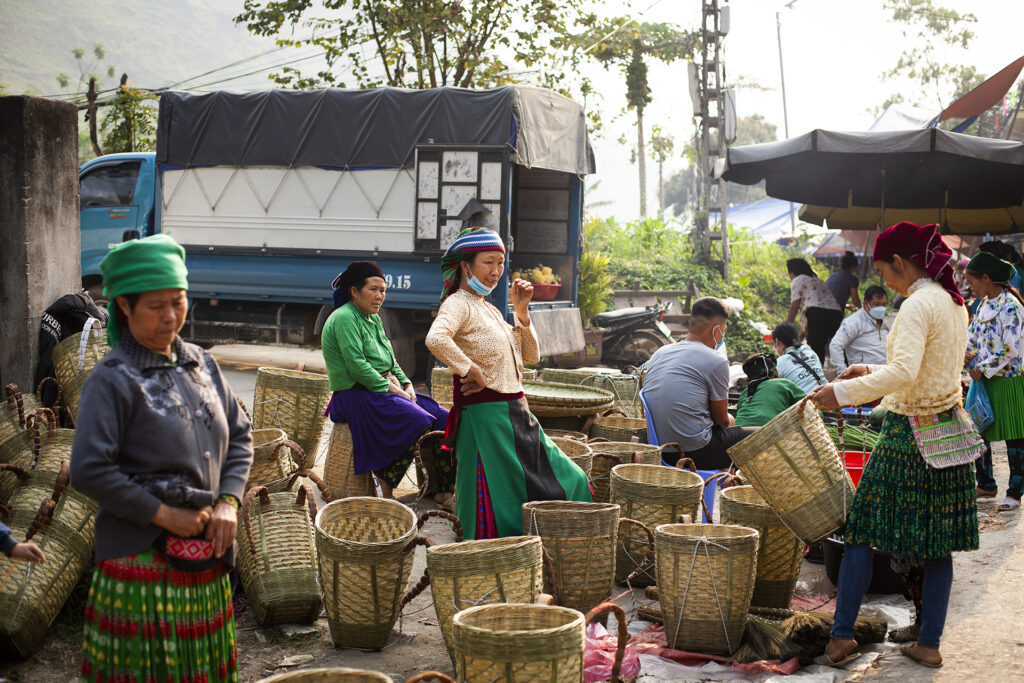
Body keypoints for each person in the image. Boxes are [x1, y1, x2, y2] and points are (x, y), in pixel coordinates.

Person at [70, 234, 253, 683]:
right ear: (125, 307)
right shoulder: (112, 379)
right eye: (156, 306)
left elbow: (241, 436)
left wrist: (229, 502)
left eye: (179, 301)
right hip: (140, 569)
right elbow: (89, 469)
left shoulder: (201, 364)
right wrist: (164, 514)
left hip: (205, 563)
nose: (171, 316)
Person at [809, 222, 980, 670]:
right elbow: (923, 369)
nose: (883, 280)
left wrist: (840, 394)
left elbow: (904, 374)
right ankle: (929, 642)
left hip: (909, 434)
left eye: (885, 270)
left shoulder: (915, 305)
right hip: (949, 431)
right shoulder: (953, 303)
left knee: (862, 532)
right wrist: (868, 369)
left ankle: (841, 637)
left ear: (902, 263)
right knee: (937, 544)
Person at [425, 227, 590, 539]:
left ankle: (558, 554)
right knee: (494, 504)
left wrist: (522, 311)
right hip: (486, 419)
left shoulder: (488, 308)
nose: (496, 272)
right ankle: (495, 567)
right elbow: (436, 337)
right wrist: (469, 368)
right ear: (465, 266)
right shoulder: (458, 303)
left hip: (517, 414)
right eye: (488, 262)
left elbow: (530, 356)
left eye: (501, 263)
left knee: (573, 479)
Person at [321, 260, 453, 508]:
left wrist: (407, 385)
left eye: (383, 290)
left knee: (445, 418)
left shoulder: (373, 319)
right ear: (354, 291)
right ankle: (386, 484)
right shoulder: (344, 318)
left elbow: (391, 361)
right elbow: (357, 367)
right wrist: (394, 390)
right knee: (416, 420)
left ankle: (443, 490)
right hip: (355, 395)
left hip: (381, 390)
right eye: (374, 289)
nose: (380, 296)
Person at [642, 297, 754, 470]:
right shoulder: (716, 361)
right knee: (761, 438)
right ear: (717, 330)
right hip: (694, 452)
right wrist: (729, 419)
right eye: (723, 330)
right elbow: (721, 420)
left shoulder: (661, 352)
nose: (723, 335)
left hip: (659, 449)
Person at [963, 251, 1024, 512]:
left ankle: (1015, 492)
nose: (970, 287)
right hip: (984, 380)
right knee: (977, 431)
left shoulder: (1012, 306)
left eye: (972, 282)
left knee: (1015, 439)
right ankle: (986, 483)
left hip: (1008, 381)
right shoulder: (983, 305)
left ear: (986, 279)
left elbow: (1012, 350)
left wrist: (982, 367)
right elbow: (973, 336)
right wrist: (963, 351)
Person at [786, 258, 844, 363]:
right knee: (838, 345)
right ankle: (849, 371)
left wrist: (785, 328)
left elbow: (794, 306)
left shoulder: (798, 279)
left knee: (817, 346)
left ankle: (818, 375)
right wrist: (805, 331)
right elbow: (816, 306)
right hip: (836, 313)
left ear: (792, 273)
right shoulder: (818, 281)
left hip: (817, 313)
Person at [827, 285, 890, 375]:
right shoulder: (854, 322)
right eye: (876, 304)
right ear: (865, 303)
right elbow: (835, 345)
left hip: (885, 373)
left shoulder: (884, 321)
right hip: (864, 376)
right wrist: (842, 372)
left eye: (884, 304)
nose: (881, 308)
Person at [734, 353, 805, 427]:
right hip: (769, 432)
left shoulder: (746, 393)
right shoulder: (783, 383)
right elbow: (809, 403)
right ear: (774, 370)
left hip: (740, 434)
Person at [772, 322, 826, 394]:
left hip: (807, 402)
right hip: (828, 393)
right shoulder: (809, 351)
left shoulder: (779, 362)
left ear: (777, 341)